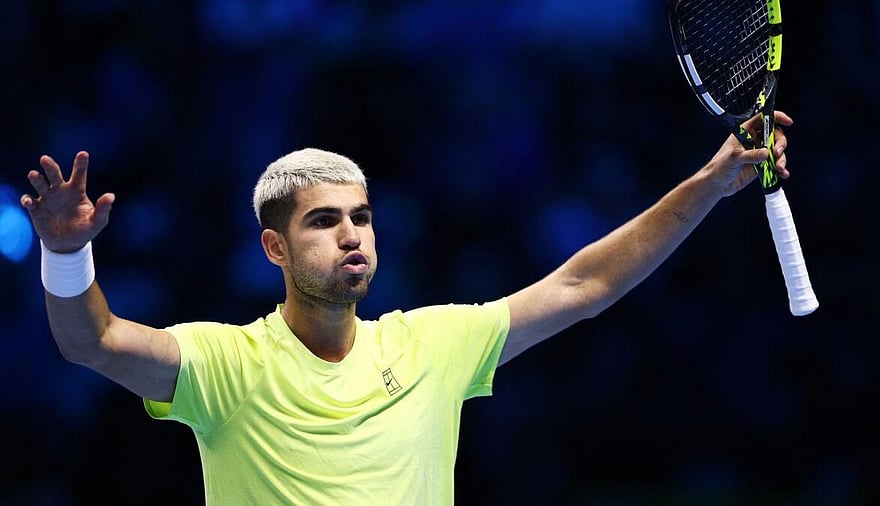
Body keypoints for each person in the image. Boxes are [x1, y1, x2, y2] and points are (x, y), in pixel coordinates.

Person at [20, 111, 793, 505]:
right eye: (324, 222)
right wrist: (65, 253)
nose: (352, 234)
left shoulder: (430, 344)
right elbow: (94, 342)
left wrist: (705, 189)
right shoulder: (225, 365)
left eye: (361, 216)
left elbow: (582, 286)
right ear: (274, 249)